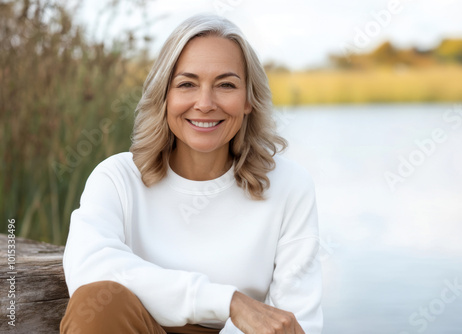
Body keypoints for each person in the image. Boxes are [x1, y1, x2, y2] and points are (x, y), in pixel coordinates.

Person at [60, 14, 323, 334]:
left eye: (226, 85)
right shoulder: (117, 178)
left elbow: (297, 321)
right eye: (187, 84)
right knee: (100, 303)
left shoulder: (289, 185)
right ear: (164, 95)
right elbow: (90, 269)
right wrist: (229, 302)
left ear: (248, 100)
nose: (205, 103)